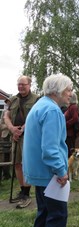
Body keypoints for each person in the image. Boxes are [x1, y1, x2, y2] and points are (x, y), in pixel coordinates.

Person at [22, 74, 72, 227]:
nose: (70, 93)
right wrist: (61, 171)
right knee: (57, 215)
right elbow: (50, 148)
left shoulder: (40, 105)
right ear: (57, 90)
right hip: (49, 174)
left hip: (38, 171)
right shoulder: (52, 110)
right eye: (68, 89)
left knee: (44, 213)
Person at [4, 75, 39, 208]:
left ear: (30, 85)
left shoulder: (37, 99)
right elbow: (6, 116)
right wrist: (12, 129)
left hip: (28, 136)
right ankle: (22, 190)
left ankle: (26, 193)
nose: (20, 87)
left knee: (26, 163)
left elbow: (34, 117)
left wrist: (22, 129)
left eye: (23, 84)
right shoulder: (13, 100)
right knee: (17, 163)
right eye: (19, 84)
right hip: (15, 136)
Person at [64, 92, 79, 157]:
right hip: (68, 133)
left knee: (69, 151)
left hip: (70, 134)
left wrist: (66, 124)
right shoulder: (70, 107)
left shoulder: (73, 107)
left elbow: (75, 118)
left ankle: (70, 166)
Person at [0, 98, 12, 181]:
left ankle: (14, 174)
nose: (8, 104)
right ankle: (6, 174)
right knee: (4, 156)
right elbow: (1, 125)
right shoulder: (4, 113)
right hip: (5, 136)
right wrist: (9, 126)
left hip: (14, 135)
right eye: (7, 103)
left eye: (9, 102)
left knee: (13, 155)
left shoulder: (18, 111)